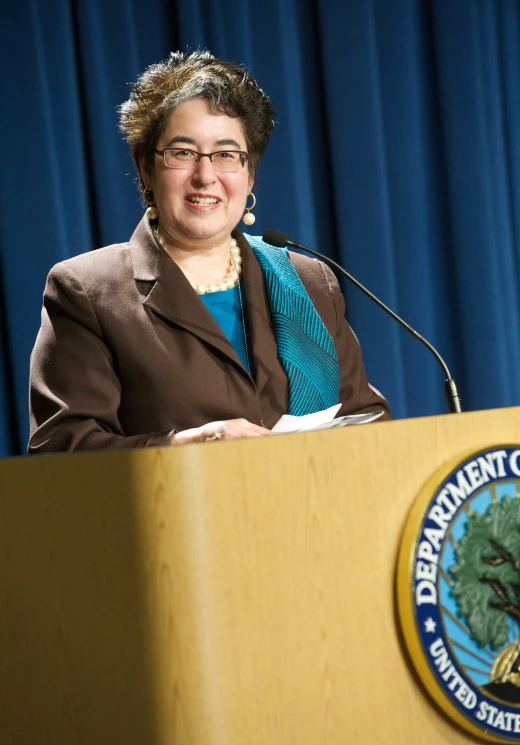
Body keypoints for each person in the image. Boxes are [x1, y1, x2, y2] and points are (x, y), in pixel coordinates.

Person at [28, 50, 390, 453]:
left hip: (311, 510)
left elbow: (367, 422)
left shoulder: (307, 281)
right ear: (146, 168)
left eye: (225, 155)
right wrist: (190, 444)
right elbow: (62, 449)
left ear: (249, 174)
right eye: (182, 152)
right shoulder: (87, 291)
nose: (205, 176)